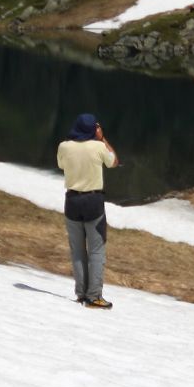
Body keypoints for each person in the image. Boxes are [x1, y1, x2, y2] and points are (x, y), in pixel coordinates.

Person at [55, 112, 118, 308]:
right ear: (94, 129)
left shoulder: (64, 146)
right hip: (93, 201)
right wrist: (102, 138)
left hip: (72, 200)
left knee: (77, 251)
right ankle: (94, 296)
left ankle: (81, 294)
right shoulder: (98, 147)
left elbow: (61, 165)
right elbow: (114, 162)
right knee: (96, 251)